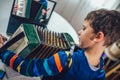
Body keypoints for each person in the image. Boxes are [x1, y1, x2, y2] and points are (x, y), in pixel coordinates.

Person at [0, 9, 120, 80]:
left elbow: (27, 68)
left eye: (84, 29)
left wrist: (3, 51)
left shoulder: (65, 59)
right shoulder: (100, 69)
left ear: (98, 36)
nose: (79, 32)